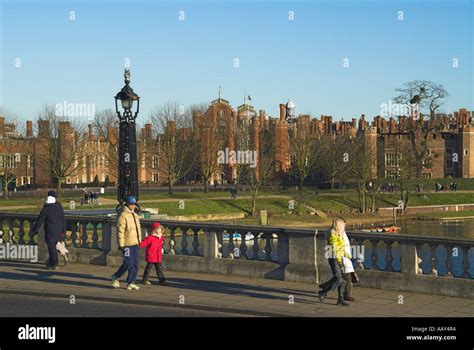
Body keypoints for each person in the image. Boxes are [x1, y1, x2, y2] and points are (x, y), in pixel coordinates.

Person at [317, 218, 351, 306]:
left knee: (343, 280)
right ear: (339, 226)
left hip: (339, 258)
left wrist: (346, 255)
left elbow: (341, 248)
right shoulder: (333, 235)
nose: (344, 227)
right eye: (343, 225)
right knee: (339, 278)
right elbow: (335, 249)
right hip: (334, 259)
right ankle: (324, 290)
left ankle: (340, 299)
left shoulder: (339, 234)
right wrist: (340, 259)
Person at [111, 196, 142, 291]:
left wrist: (140, 241)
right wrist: (121, 245)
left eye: (134, 204)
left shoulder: (135, 215)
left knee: (135, 264)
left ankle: (131, 282)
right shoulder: (123, 215)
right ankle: (116, 276)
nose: (132, 206)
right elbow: (120, 231)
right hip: (127, 244)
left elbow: (138, 230)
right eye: (131, 204)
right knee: (128, 263)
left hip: (135, 244)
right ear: (127, 204)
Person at [32, 190, 66, 270]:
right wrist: (63, 231)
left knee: (52, 248)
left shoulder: (46, 208)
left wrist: (34, 230)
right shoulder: (58, 206)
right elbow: (63, 219)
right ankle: (51, 261)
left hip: (51, 231)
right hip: (60, 230)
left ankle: (54, 263)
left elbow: (40, 220)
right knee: (54, 247)